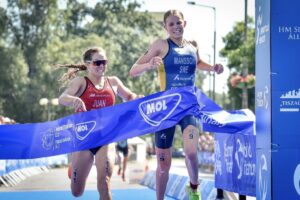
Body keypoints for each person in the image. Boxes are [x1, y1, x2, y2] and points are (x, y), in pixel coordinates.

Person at [129, 10, 224, 200]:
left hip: (188, 107)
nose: (175, 27)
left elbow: (198, 63)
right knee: (163, 165)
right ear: (165, 27)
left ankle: (194, 189)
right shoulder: (161, 45)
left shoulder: (192, 46)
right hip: (166, 109)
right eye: (171, 24)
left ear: (185, 24)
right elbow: (133, 71)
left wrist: (213, 67)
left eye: (178, 23)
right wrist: (149, 65)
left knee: (190, 152)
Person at [58, 47, 142, 200]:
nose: (102, 66)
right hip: (84, 139)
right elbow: (62, 98)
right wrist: (74, 100)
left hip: (106, 137)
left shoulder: (113, 82)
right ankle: (75, 168)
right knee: (77, 192)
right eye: (98, 63)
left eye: (104, 62)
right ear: (88, 64)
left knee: (104, 182)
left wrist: (137, 98)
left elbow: (129, 96)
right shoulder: (81, 82)